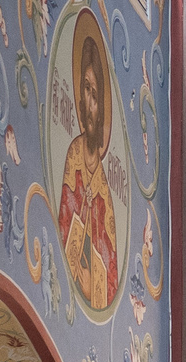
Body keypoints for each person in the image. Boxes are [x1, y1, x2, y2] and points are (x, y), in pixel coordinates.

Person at [56, 30, 121, 314]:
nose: (91, 104)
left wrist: (90, 282)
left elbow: (110, 273)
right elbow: (63, 225)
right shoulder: (73, 157)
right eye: (86, 89)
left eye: (96, 94)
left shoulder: (105, 190)